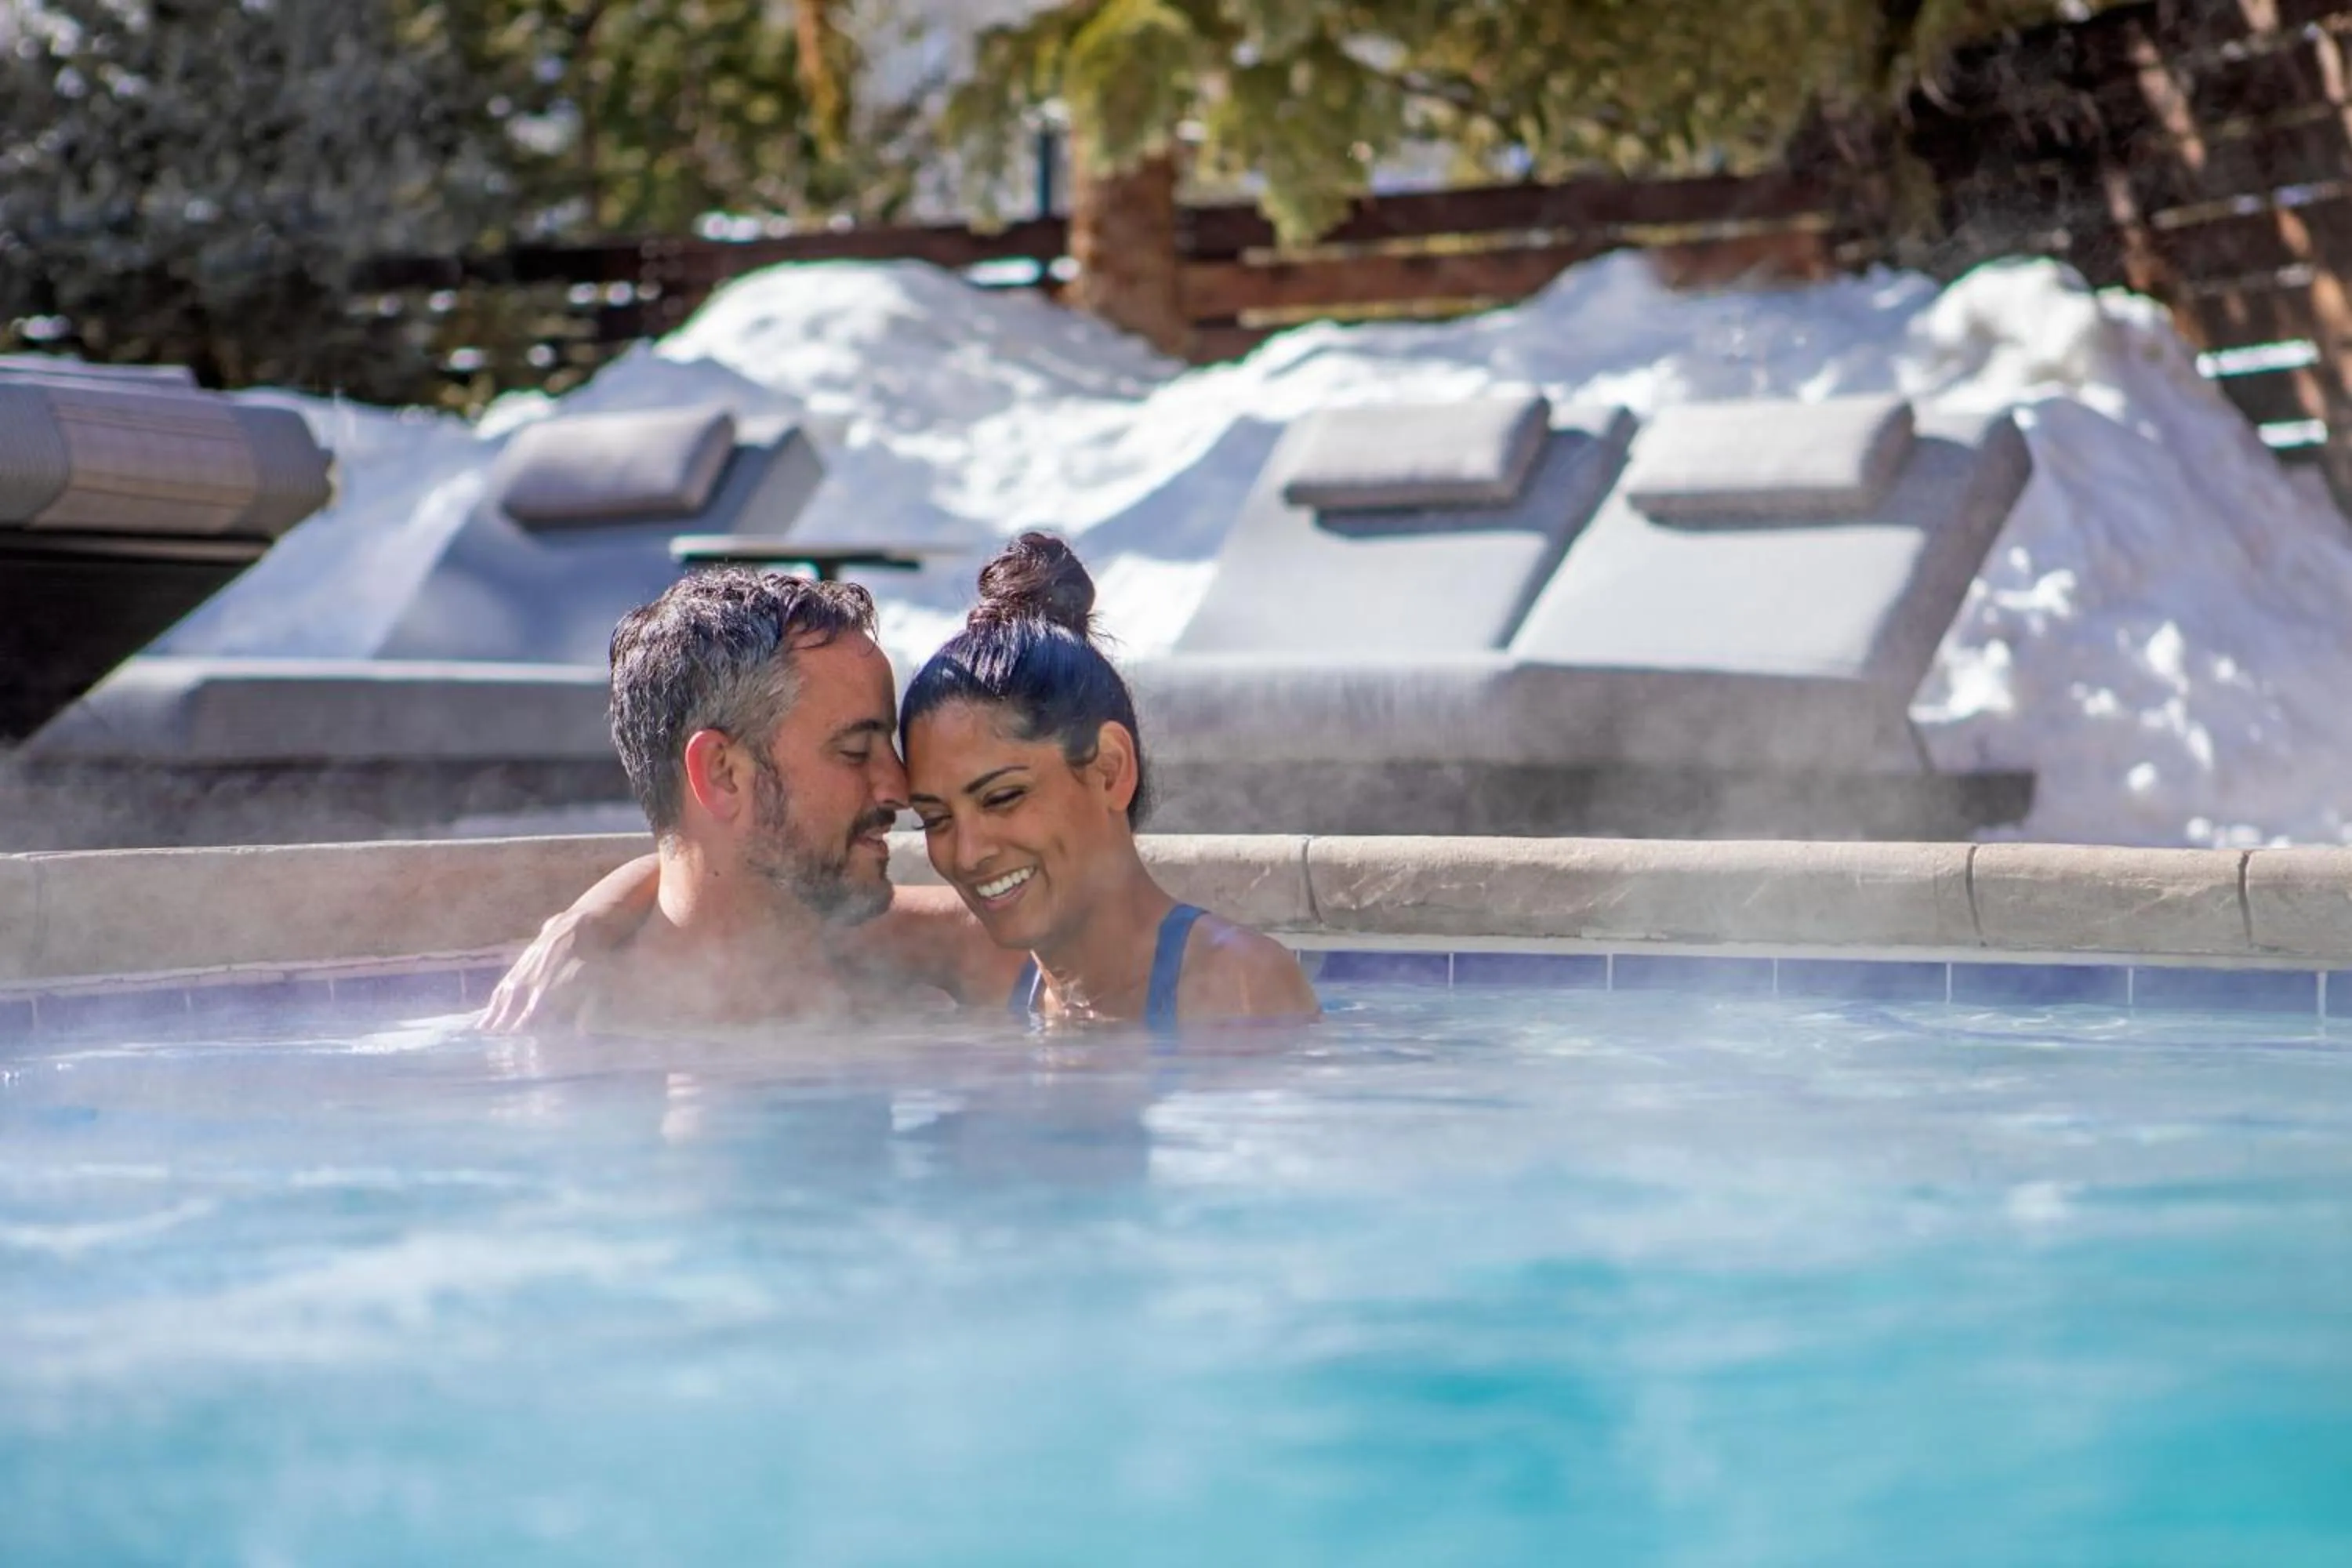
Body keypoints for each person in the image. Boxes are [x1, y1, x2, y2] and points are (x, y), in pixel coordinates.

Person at [481, 535, 1316, 1034]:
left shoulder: (935, 953)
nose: (896, 786)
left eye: (1000, 796)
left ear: (1110, 766)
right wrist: (593, 918)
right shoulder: (567, 1011)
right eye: (856, 749)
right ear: (721, 775)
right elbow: (701, 888)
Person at [901, 532, 1317, 1031]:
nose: (967, 855)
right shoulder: (978, 957)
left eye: (1003, 797)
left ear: (1109, 770)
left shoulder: (1238, 988)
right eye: (936, 819)